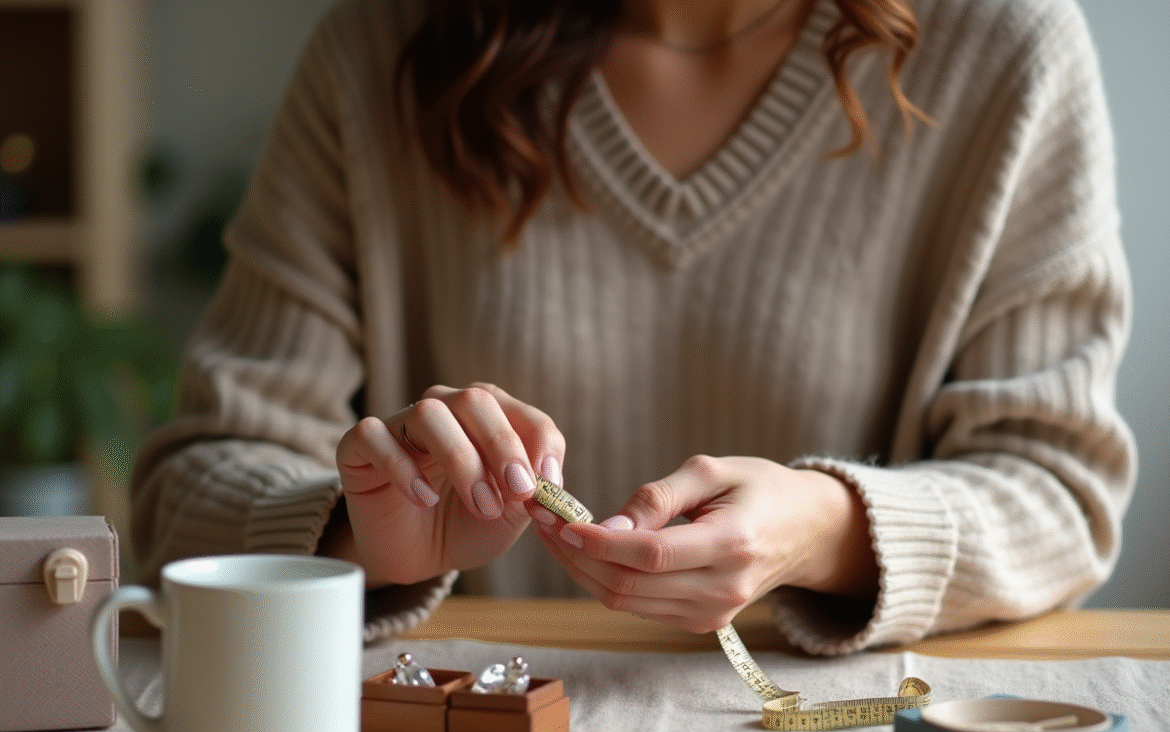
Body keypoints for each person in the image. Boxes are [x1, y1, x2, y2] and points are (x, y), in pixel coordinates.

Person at [130, 0, 1136, 654]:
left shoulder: (1003, 48)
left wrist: (828, 529)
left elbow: (1062, 494)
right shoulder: (380, 48)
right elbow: (183, 495)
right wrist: (358, 536)